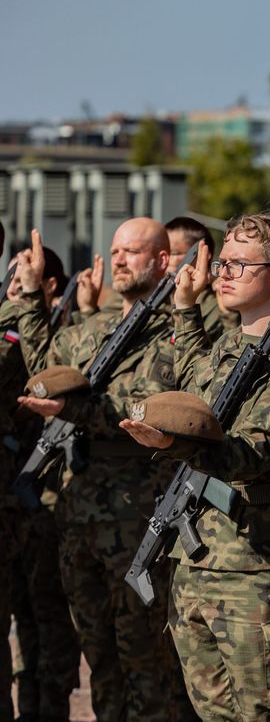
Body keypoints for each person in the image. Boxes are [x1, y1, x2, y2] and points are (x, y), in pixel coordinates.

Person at [119, 211, 270, 721]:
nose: (224, 273)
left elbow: (257, 453)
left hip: (258, 572)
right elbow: (194, 376)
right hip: (197, 569)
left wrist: (175, 445)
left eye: (239, 265)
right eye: (222, 263)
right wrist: (185, 307)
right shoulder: (225, 350)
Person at [14, 220, 181, 721]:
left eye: (134, 251)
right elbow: (42, 374)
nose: (122, 260)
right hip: (79, 519)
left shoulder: (181, 339)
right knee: (101, 662)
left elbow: (148, 410)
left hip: (139, 521)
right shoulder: (90, 333)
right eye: (116, 251)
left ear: (162, 261)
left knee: (146, 662)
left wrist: (78, 409)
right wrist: (28, 295)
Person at [3, 244, 81, 722]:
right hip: (15, 496)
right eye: (11, 279)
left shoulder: (60, 339)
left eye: (24, 281)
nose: (14, 289)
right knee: (21, 625)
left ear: (50, 286)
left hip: (51, 502)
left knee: (51, 623)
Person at [166, 215, 238, 338]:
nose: (164, 261)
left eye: (173, 253)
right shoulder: (158, 301)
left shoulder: (217, 308)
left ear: (202, 255)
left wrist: (228, 314)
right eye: (161, 254)